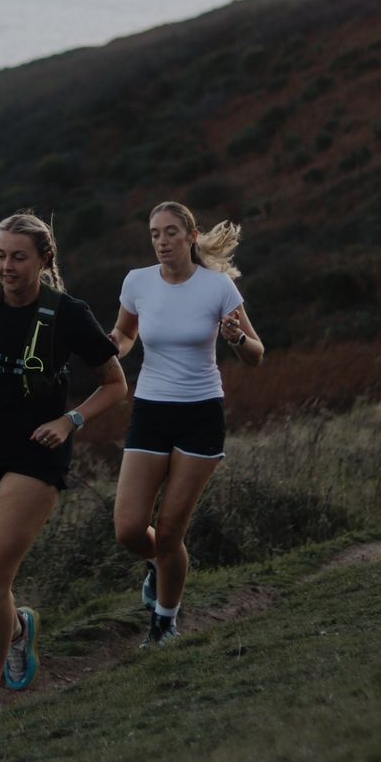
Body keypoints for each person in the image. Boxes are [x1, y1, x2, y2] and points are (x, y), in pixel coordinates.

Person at [0, 211, 126, 726]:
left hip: (38, 451)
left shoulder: (68, 313)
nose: (6, 265)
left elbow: (114, 383)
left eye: (18, 256)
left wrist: (70, 420)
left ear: (44, 259)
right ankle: (18, 630)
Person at [110, 200, 263, 648]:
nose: (162, 241)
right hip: (151, 411)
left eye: (171, 232)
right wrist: (110, 347)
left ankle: (164, 622)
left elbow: (256, 354)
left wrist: (236, 340)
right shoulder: (137, 282)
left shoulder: (217, 289)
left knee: (171, 532)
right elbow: (125, 333)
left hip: (200, 414)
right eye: (155, 233)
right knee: (129, 530)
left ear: (191, 238)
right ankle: (160, 566)